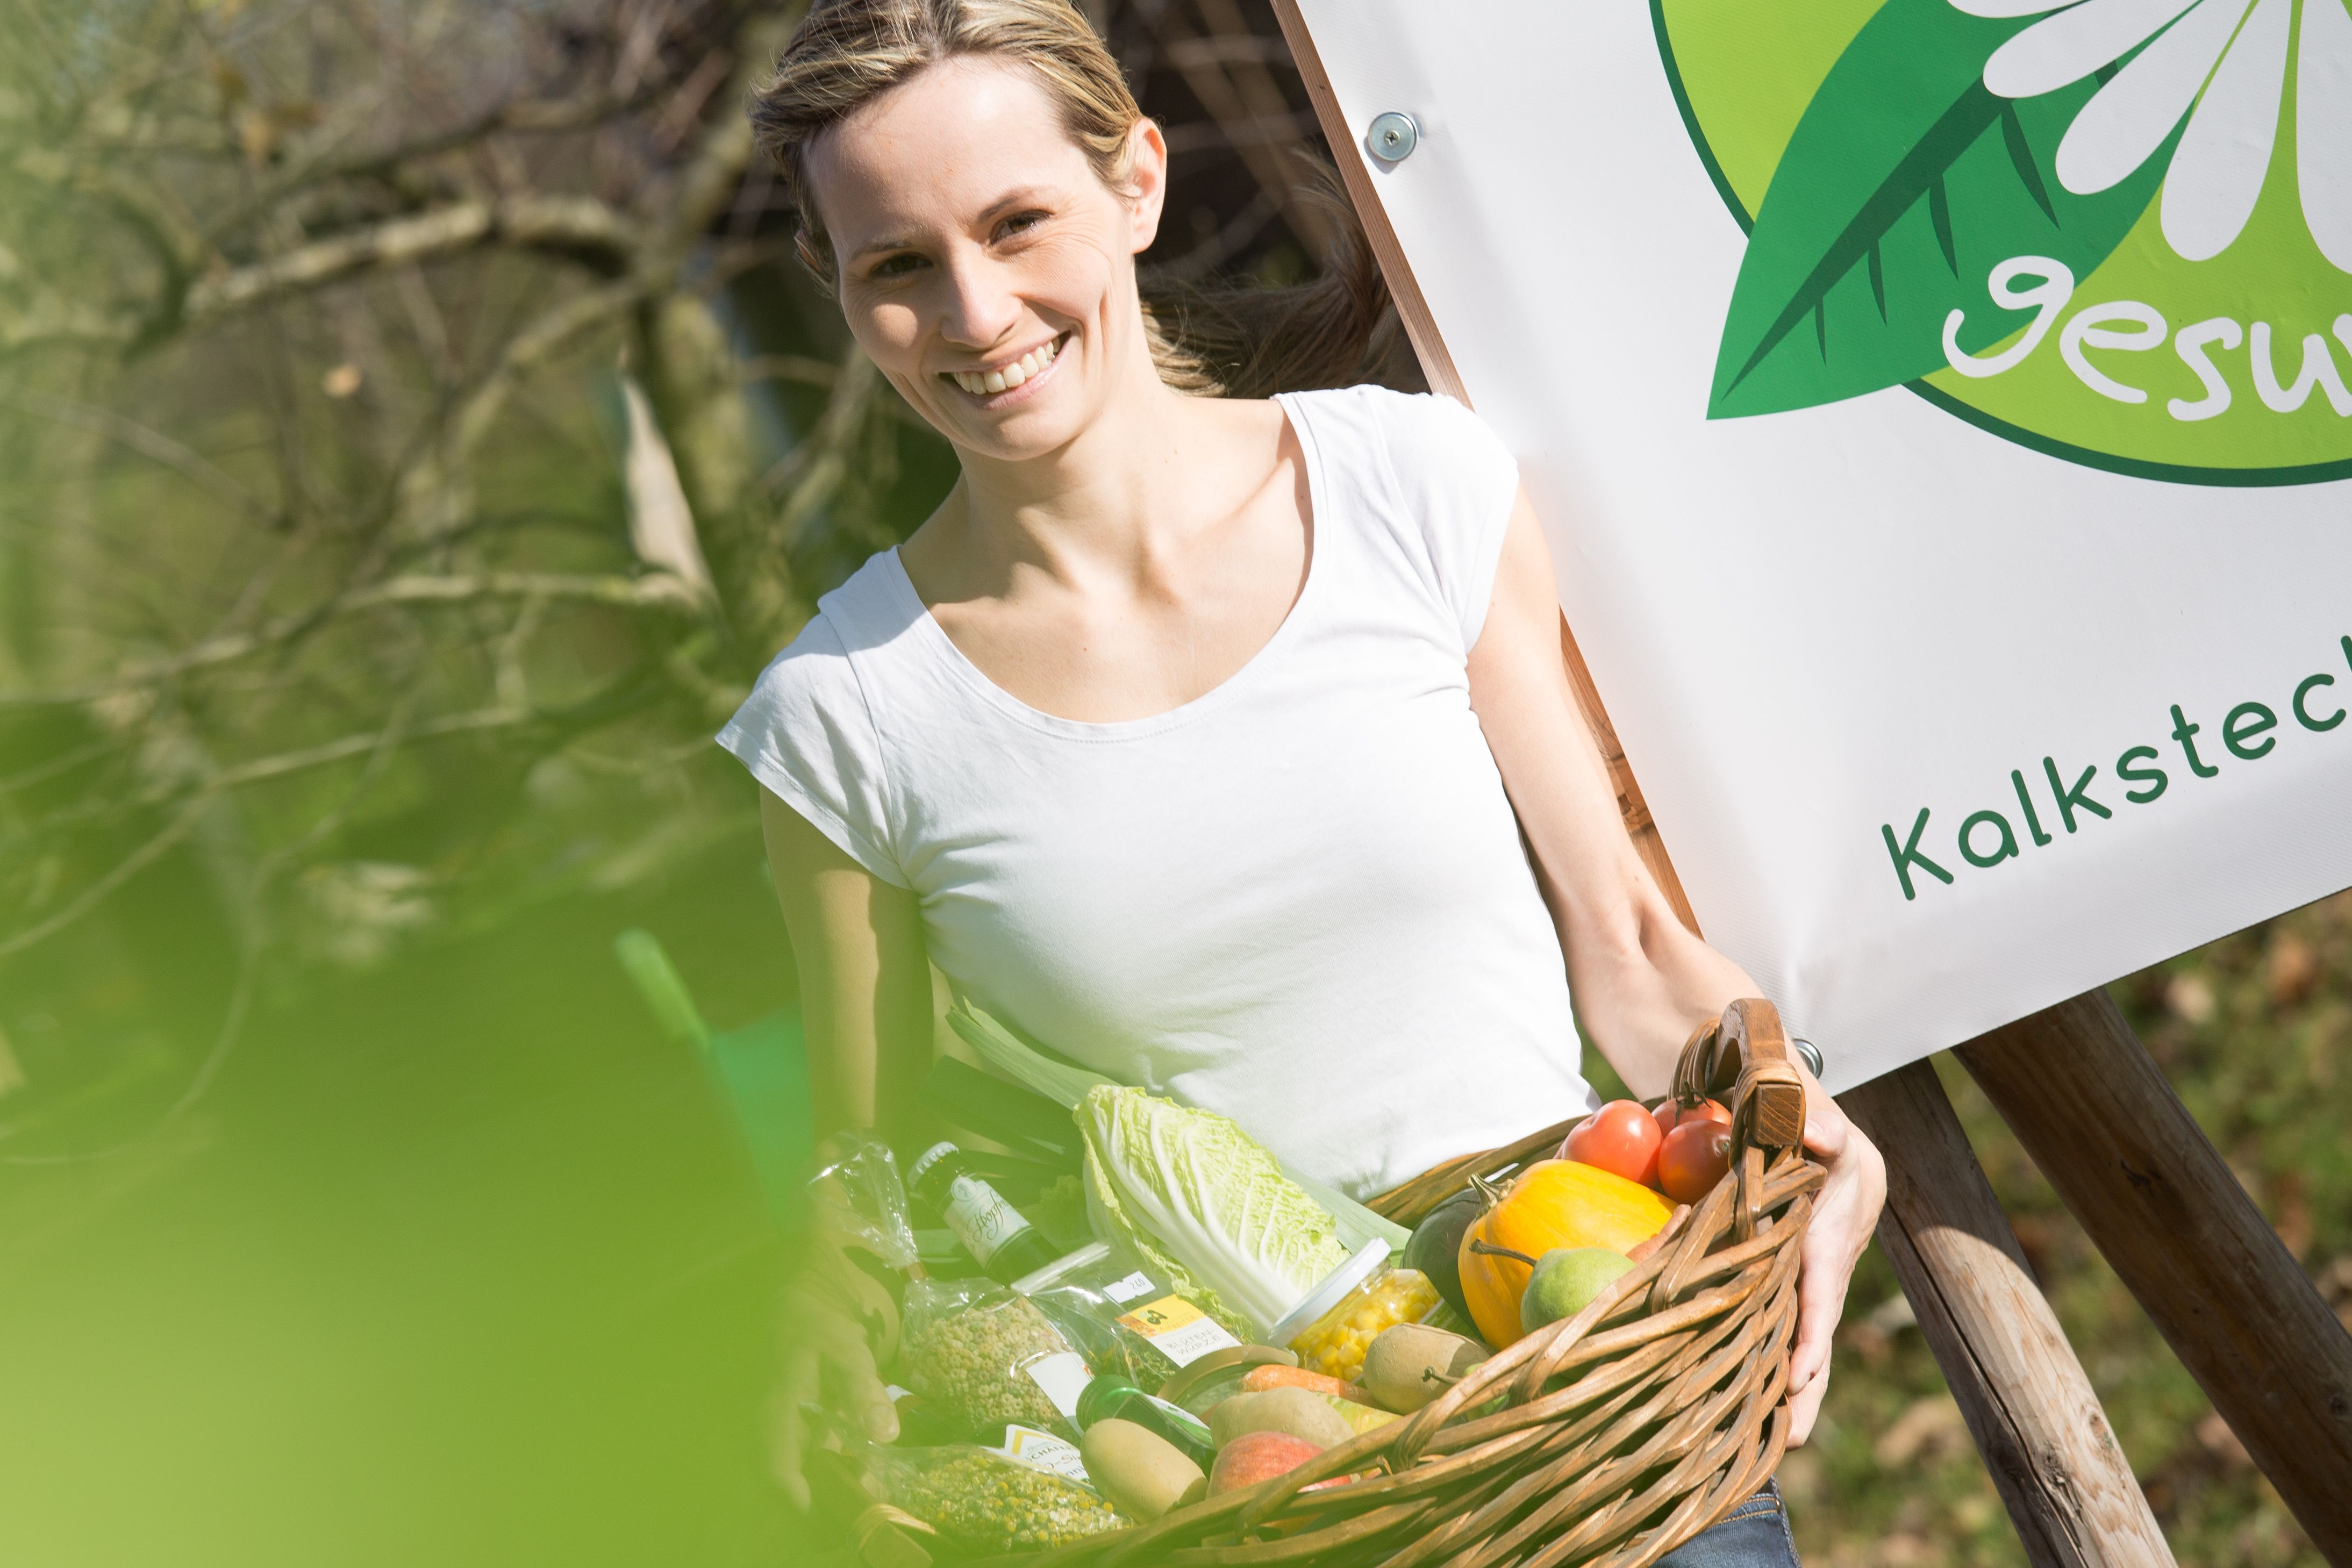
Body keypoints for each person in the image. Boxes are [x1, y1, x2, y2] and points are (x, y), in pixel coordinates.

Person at [726, 1, 1886, 1558]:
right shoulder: (844, 716)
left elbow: (1623, 946)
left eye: (1018, 224)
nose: (979, 310)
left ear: (1135, 183)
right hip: (1269, 1474)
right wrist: (827, 1306)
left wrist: (1810, 1117)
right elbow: (868, 1168)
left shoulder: (1409, 487)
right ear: (837, 288)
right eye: (898, 267)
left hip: (1592, 1402)